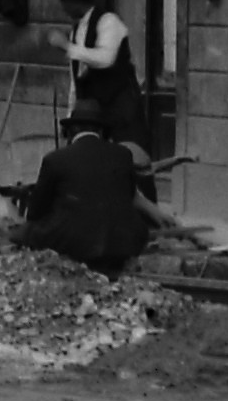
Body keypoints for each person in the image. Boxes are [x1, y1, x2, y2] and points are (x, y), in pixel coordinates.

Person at [17, 105, 154, 276]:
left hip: (75, 243)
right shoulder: (123, 155)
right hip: (123, 243)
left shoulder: (55, 159)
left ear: (70, 132)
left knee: (25, 231)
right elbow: (128, 195)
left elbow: (35, 213)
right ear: (101, 131)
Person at [54, 0, 149, 151]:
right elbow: (76, 81)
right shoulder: (77, 31)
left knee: (130, 160)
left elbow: (105, 59)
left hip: (121, 112)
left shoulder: (108, 22)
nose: (62, 8)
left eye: (63, 1)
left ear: (74, 1)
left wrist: (67, 47)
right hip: (94, 117)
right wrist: (70, 117)